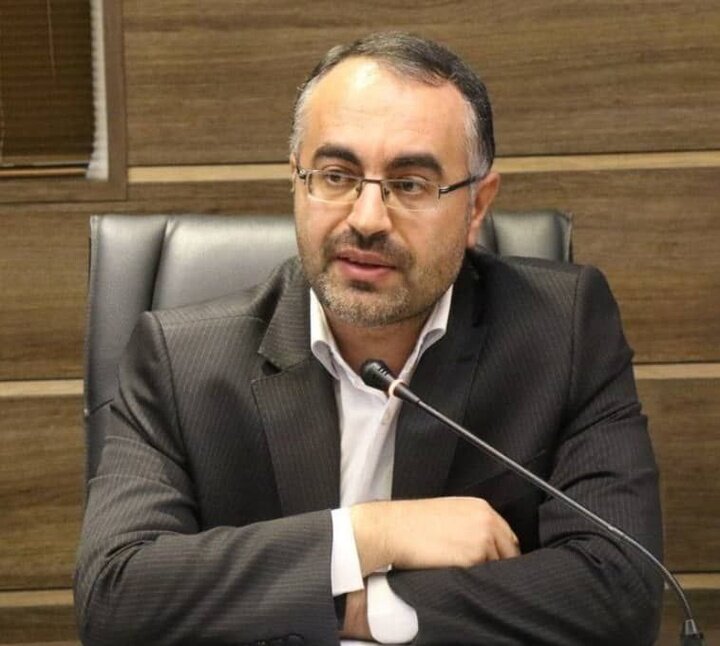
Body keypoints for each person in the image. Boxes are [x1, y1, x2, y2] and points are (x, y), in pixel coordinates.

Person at [75, 32, 663, 645]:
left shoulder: (563, 332)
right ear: (297, 181)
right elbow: (115, 597)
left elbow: (621, 591)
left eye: (410, 185)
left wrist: (367, 607)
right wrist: (371, 534)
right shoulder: (180, 361)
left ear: (476, 207)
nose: (366, 219)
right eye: (336, 176)